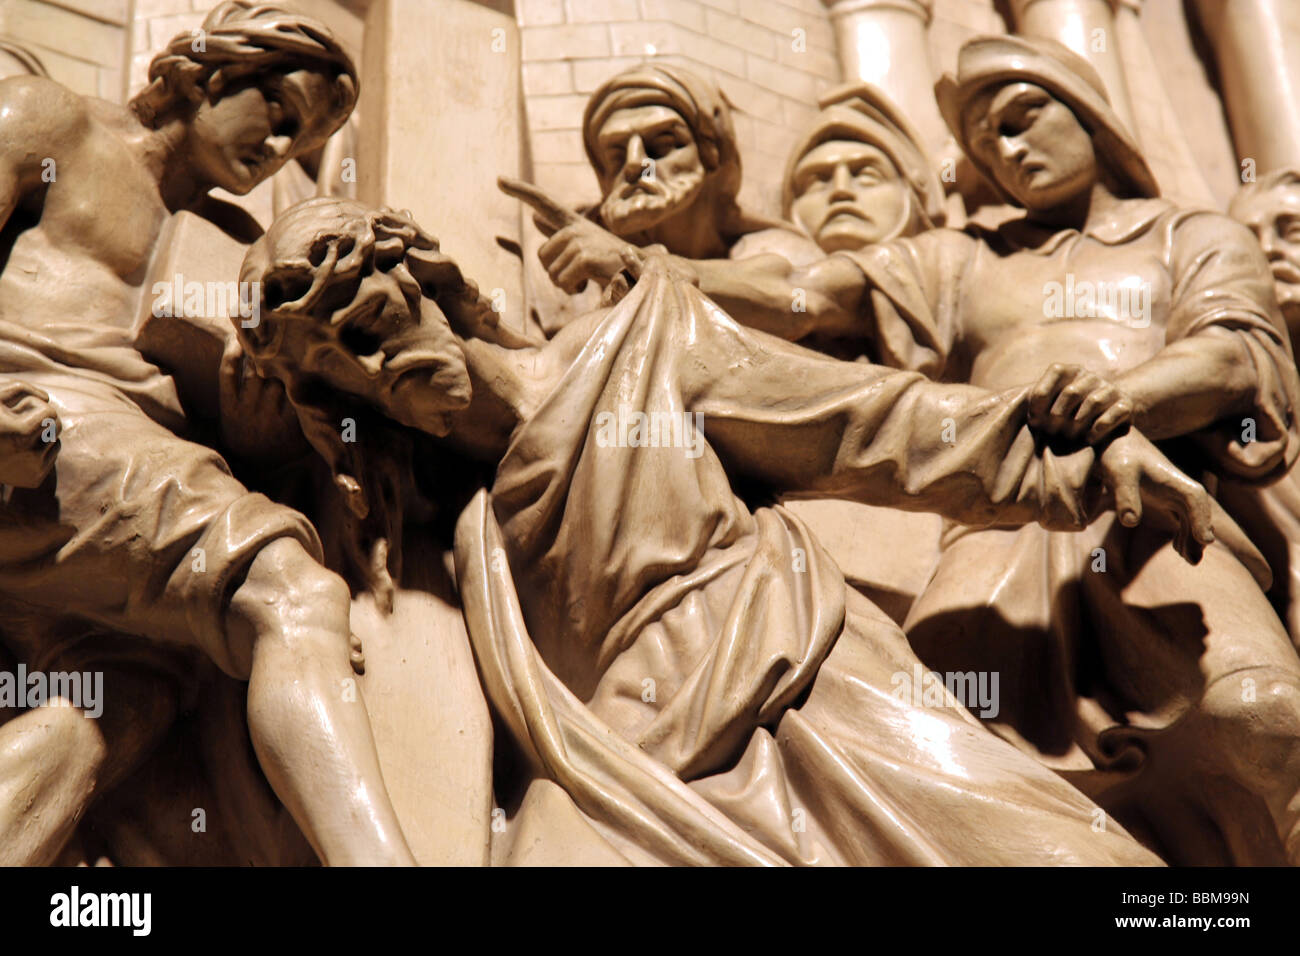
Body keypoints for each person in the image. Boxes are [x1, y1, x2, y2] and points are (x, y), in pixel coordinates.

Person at [232, 195, 1230, 865]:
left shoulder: (637, 341)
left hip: (799, 684)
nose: (371, 365)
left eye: (366, 321)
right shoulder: (468, 533)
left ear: (425, 280)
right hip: (624, 759)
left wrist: (1082, 458)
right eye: (335, 366)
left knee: (1061, 859)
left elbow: (863, 421)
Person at [533, 35, 1300, 864]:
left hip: (1150, 510)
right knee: (957, 759)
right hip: (1005, 525)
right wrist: (654, 263)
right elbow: (808, 296)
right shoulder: (964, 257)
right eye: (984, 143)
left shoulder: (1192, 236)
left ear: (1092, 115)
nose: (1007, 151)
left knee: (1260, 713)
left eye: (1023, 117)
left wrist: (1124, 400)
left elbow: (1235, 354)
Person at [0, 1, 414, 866]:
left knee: (113, 711)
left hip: (111, 508)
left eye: (300, 146)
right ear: (210, 71)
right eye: (278, 114)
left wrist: (260, 437)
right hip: (39, 429)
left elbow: (236, 437)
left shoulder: (233, 245)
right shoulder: (51, 121)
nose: (277, 153)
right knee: (293, 592)